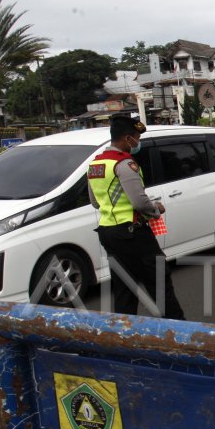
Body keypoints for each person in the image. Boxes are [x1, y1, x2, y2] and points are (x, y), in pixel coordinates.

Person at [86, 115, 184, 320]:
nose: (137, 143)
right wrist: (156, 209)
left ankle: (124, 337)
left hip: (108, 232)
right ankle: (180, 334)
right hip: (133, 233)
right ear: (127, 138)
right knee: (159, 283)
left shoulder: (96, 164)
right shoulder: (124, 164)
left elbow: (95, 203)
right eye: (137, 138)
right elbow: (139, 202)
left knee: (124, 287)